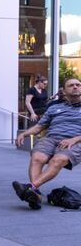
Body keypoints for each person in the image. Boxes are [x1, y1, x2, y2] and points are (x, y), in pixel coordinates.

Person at [13, 77, 81, 210]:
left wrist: (74, 139)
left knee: (58, 160)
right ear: (64, 91)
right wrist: (24, 133)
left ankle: (31, 188)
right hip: (52, 138)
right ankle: (35, 195)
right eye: (71, 85)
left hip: (75, 140)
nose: (75, 87)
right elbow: (39, 126)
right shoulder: (54, 108)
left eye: (78, 85)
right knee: (37, 157)